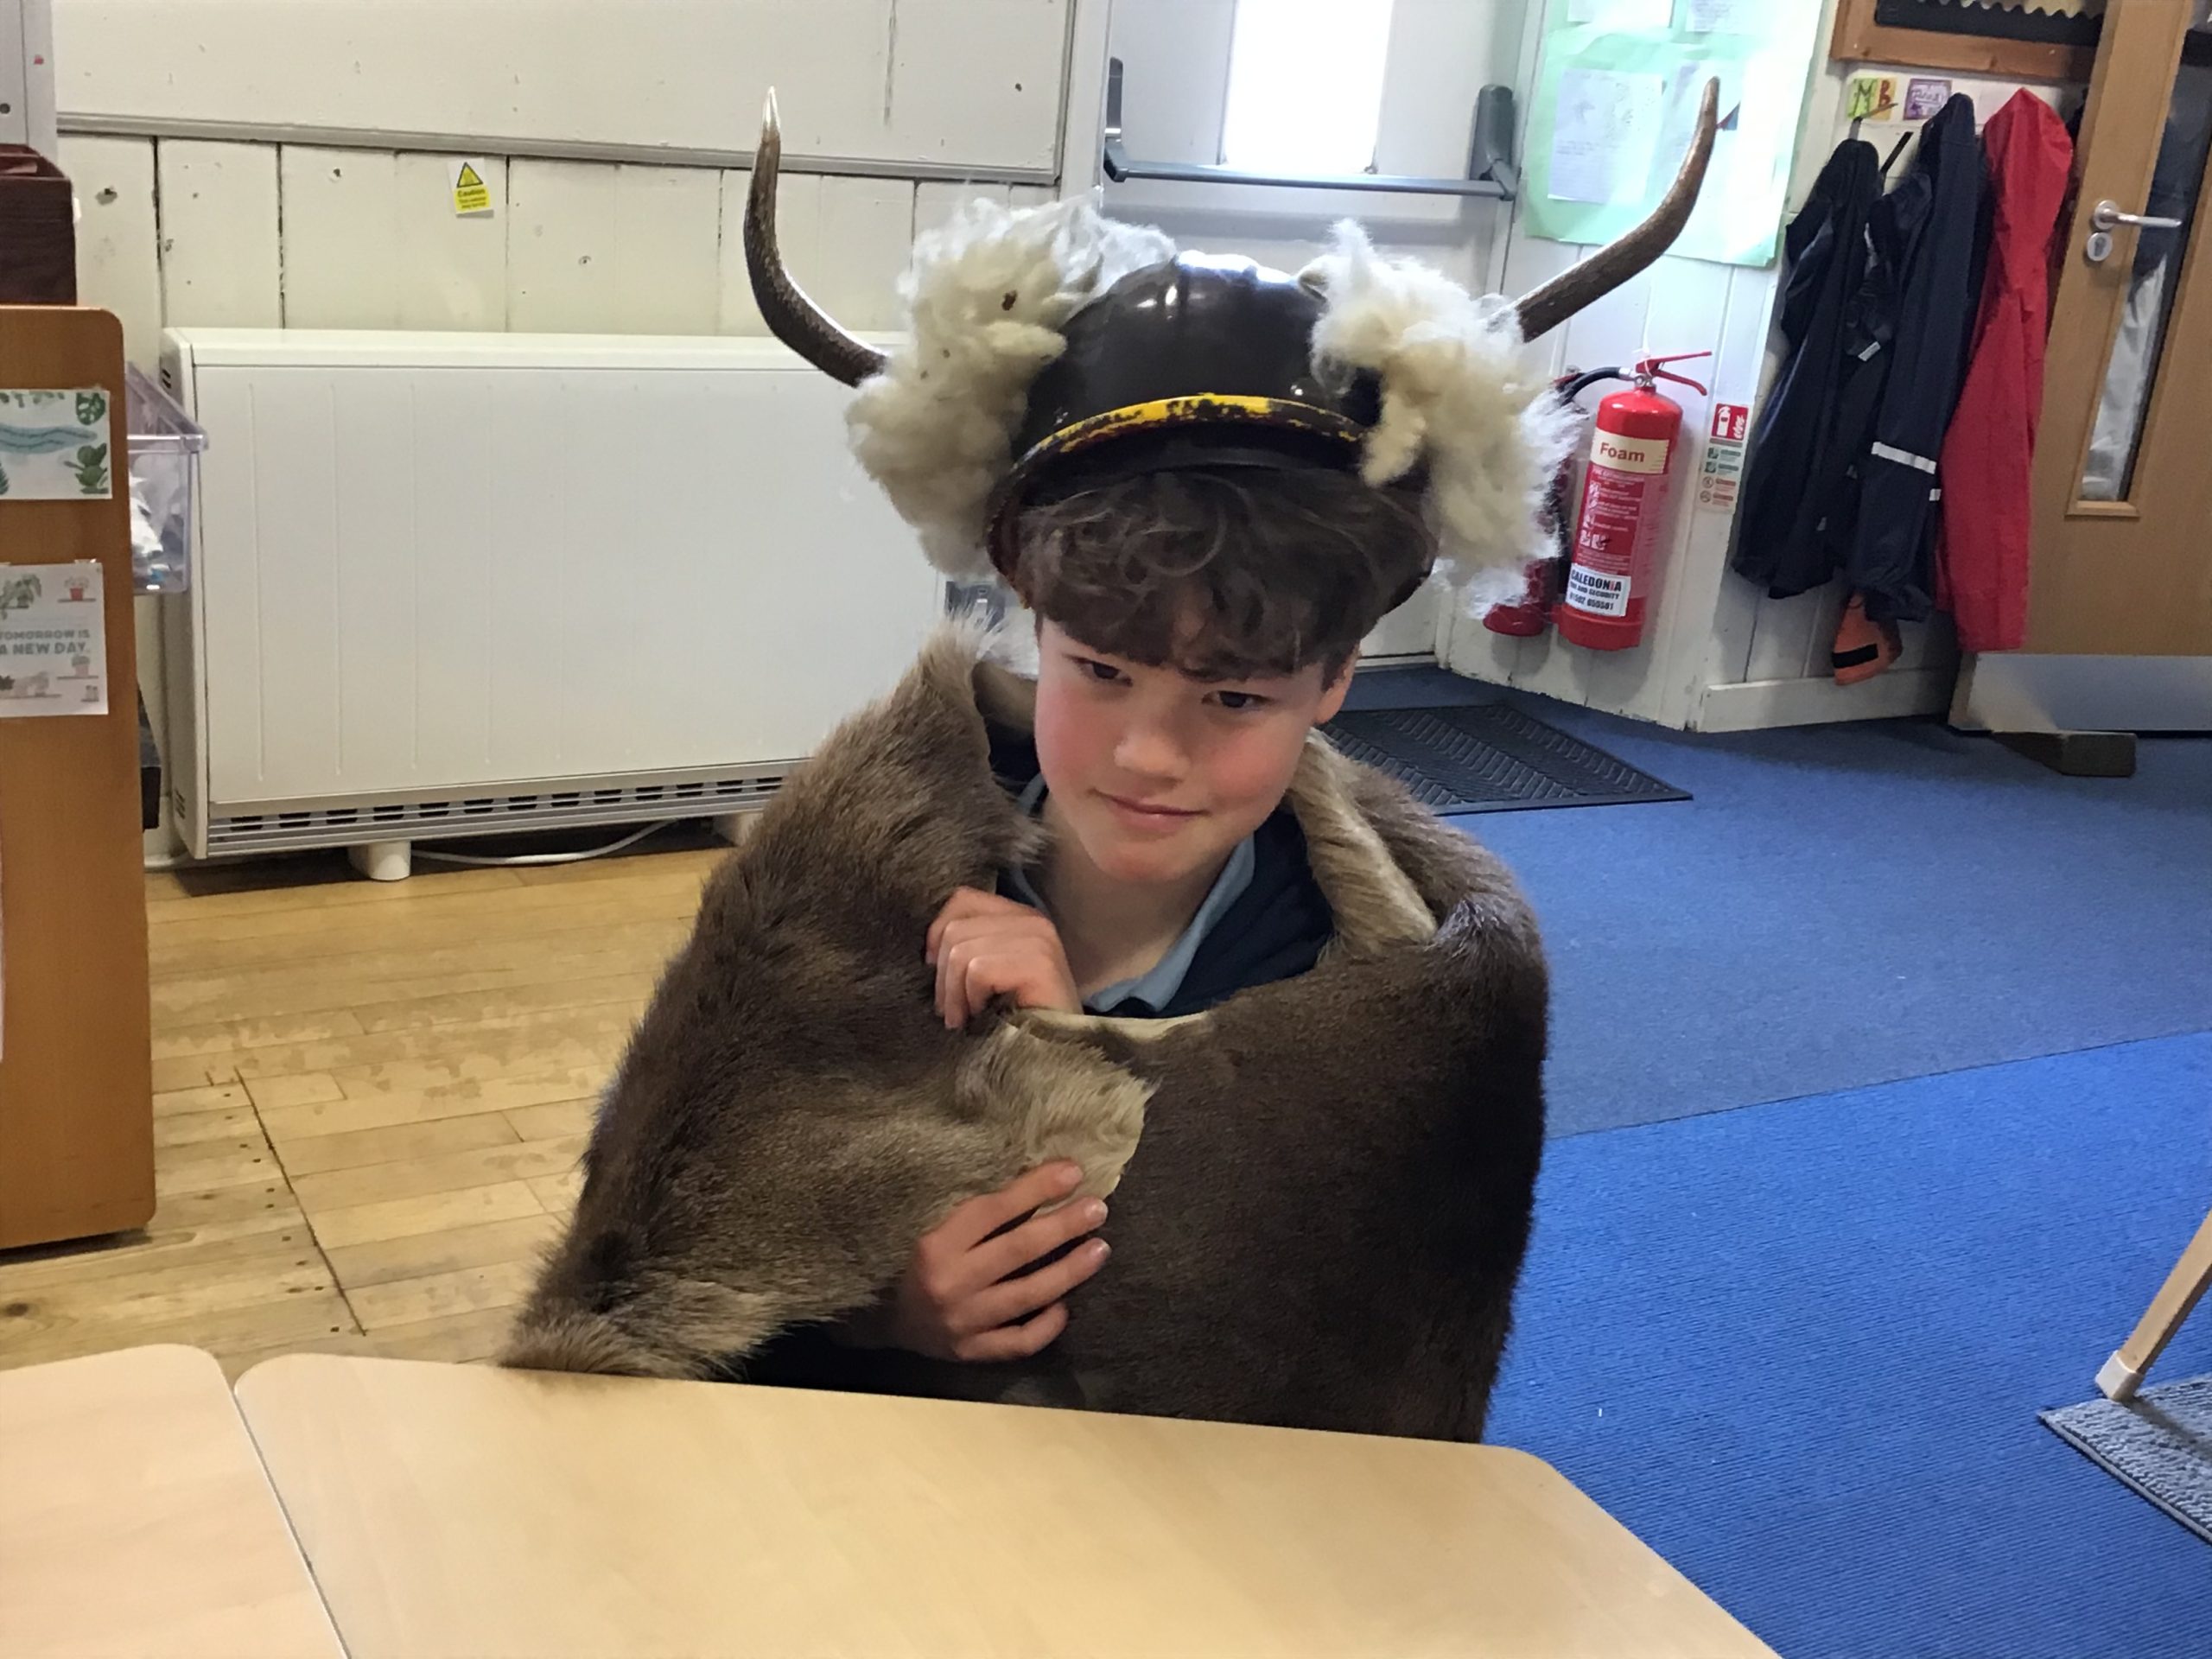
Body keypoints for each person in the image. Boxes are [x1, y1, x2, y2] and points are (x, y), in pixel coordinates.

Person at [502, 90, 1716, 1439]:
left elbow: (1346, 1368)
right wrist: (878, 1305)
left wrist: (1076, 1037)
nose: (1148, 754)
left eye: (1234, 695)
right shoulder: (831, 894)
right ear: (1035, 620)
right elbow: (645, 1259)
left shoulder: (1415, 991)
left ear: (1332, 682)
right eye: (1100, 670)